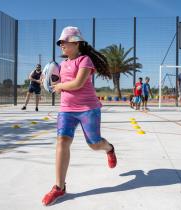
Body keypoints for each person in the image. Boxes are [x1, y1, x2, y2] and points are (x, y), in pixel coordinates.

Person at [42, 26, 117, 206]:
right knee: (62, 142)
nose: (61, 45)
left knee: (94, 144)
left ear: (76, 43)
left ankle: (109, 148)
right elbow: (57, 83)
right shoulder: (61, 65)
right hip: (66, 109)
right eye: (60, 43)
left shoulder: (85, 60)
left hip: (87, 108)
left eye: (64, 42)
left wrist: (60, 87)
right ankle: (59, 187)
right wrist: (45, 81)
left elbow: (77, 83)